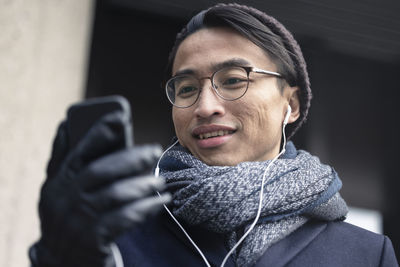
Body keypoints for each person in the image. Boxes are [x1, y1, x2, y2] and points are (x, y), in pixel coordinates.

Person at [29, 3, 398, 267]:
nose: (205, 106)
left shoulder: (365, 255)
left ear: (293, 104)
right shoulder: (113, 234)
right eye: (187, 88)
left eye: (234, 80)